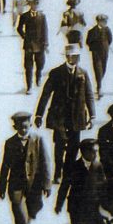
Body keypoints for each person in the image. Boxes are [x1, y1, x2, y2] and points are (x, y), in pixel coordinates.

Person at [35, 43, 95, 183]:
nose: (74, 59)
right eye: (72, 56)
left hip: (77, 116)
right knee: (60, 145)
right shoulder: (56, 73)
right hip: (59, 116)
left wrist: (92, 116)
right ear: (67, 57)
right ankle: (57, 172)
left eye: (77, 56)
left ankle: (68, 172)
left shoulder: (83, 74)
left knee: (74, 147)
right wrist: (39, 114)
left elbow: (89, 95)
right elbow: (45, 94)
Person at [0, 111, 51, 224]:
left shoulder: (38, 140)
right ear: (15, 127)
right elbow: (5, 166)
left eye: (25, 127)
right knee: (18, 212)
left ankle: (28, 218)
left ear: (30, 125)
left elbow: (45, 162)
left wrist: (47, 184)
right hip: (16, 184)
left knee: (35, 207)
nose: (23, 130)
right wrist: (2, 186)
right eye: (20, 127)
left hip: (34, 183)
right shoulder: (10, 143)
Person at [56, 137, 106, 224]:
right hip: (77, 208)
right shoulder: (74, 167)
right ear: (85, 152)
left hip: (93, 207)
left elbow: (103, 185)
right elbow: (64, 186)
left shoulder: (98, 165)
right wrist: (59, 204)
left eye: (97, 151)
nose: (96, 154)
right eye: (93, 152)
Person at [16, 0, 49, 93]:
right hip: (29, 44)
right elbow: (19, 28)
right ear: (30, 5)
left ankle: (38, 76)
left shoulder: (42, 16)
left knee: (40, 64)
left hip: (40, 44)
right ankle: (29, 86)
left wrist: (46, 43)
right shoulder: (24, 16)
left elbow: (45, 30)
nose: (35, 6)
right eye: (33, 4)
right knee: (28, 66)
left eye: (37, 4)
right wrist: (24, 36)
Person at [86, 14, 113, 99]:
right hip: (96, 53)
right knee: (98, 69)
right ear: (99, 22)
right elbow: (88, 41)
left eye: (106, 21)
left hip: (105, 52)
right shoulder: (92, 31)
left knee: (103, 69)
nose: (105, 23)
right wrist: (94, 47)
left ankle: (99, 83)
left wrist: (106, 46)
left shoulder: (107, 30)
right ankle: (99, 87)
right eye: (104, 21)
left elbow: (110, 39)